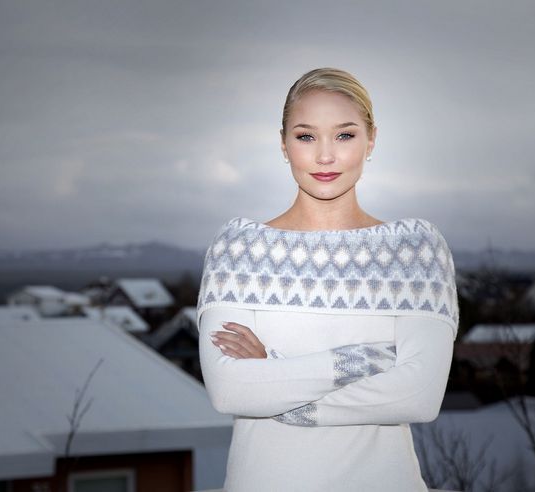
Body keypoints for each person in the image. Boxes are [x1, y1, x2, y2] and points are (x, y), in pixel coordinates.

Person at [196, 67, 458, 492]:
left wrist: (275, 377)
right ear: (283, 144)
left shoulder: (413, 250)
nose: (324, 156)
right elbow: (230, 390)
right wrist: (363, 362)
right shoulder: (238, 249)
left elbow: (419, 396)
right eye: (305, 136)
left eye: (345, 135)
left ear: (371, 140)